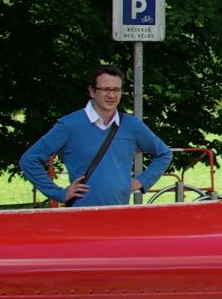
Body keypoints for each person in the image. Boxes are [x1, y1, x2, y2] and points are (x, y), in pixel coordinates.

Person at [20, 66, 173, 207]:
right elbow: (29, 160)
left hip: (119, 215)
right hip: (81, 216)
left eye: (116, 89)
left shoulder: (131, 125)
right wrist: (59, 193)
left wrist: (141, 181)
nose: (111, 95)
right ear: (92, 91)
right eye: (105, 89)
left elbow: (164, 153)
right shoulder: (70, 125)